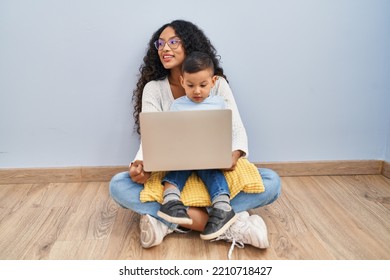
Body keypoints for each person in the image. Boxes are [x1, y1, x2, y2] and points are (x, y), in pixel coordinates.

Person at [109, 19, 281, 254]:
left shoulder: (216, 83)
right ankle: (225, 223)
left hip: (215, 169)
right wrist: (141, 164)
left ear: (189, 44)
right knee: (119, 185)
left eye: (173, 42)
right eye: (160, 43)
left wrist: (235, 154)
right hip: (173, 173)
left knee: (271, 182)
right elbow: (150, 136)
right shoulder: (153, 88)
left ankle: (169, 222)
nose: (164, 48)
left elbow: (237, 128)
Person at [157, 51, 236, 241]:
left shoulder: (219, 104)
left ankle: (223, 207)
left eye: (203, 85)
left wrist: (225, 153)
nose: (197, 91)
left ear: (213, 81)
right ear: (182, 81)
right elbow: (171, 134)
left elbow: (226, 132)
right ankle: (171, 202)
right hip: (183, 155)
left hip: (210, 156)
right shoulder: (176, 106)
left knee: (213, 172)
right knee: (176, 170)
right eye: (191, 85)